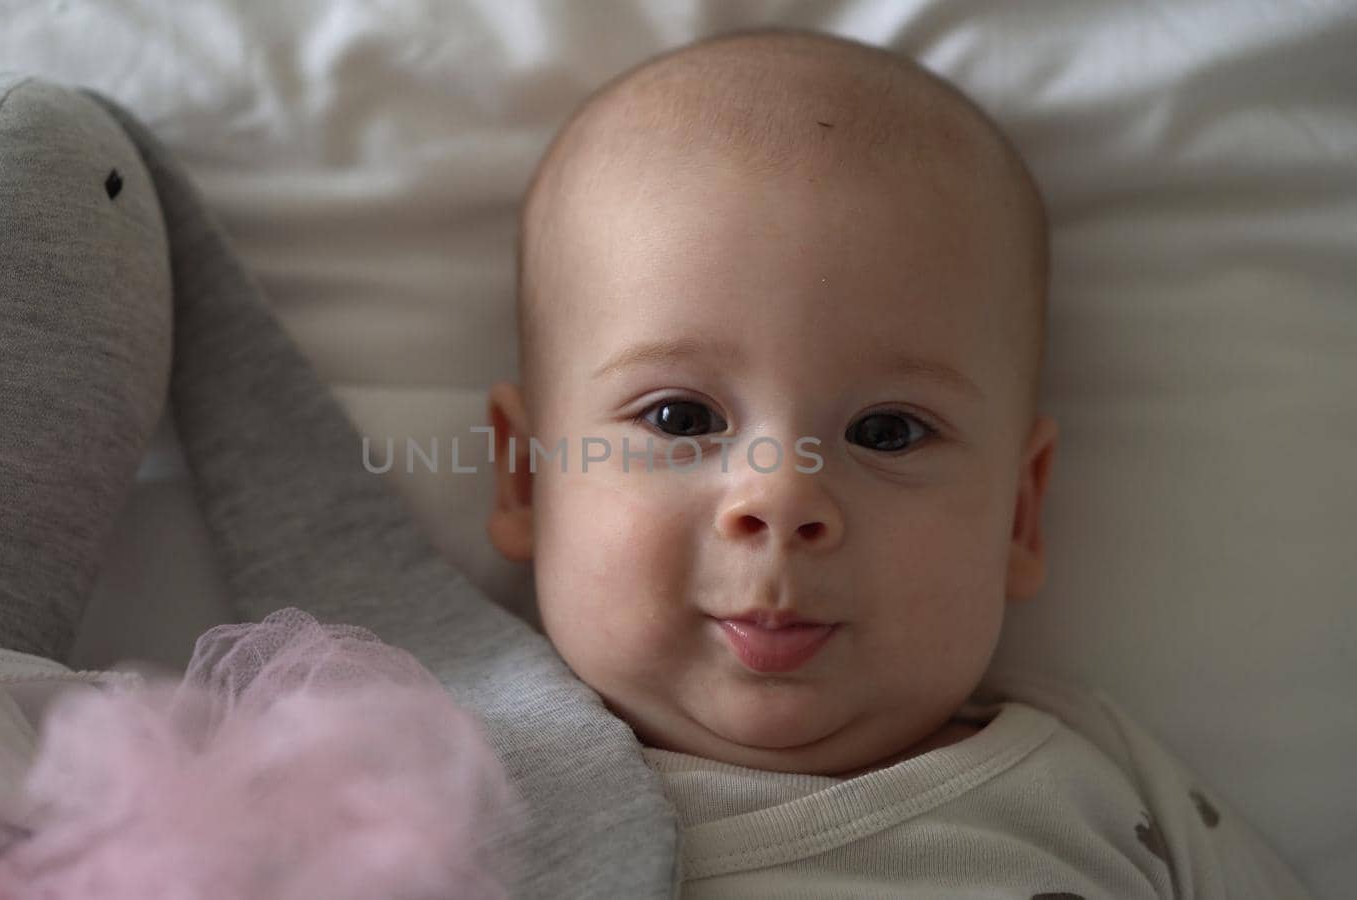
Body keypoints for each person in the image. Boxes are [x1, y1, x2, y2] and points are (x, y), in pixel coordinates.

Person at [484, 27, 1312, 898]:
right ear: (526, 475)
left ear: (1021, 515)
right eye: (680, 416)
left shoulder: (1106, 795)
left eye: (887, 433)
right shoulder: (455, 784)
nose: (781, 497)